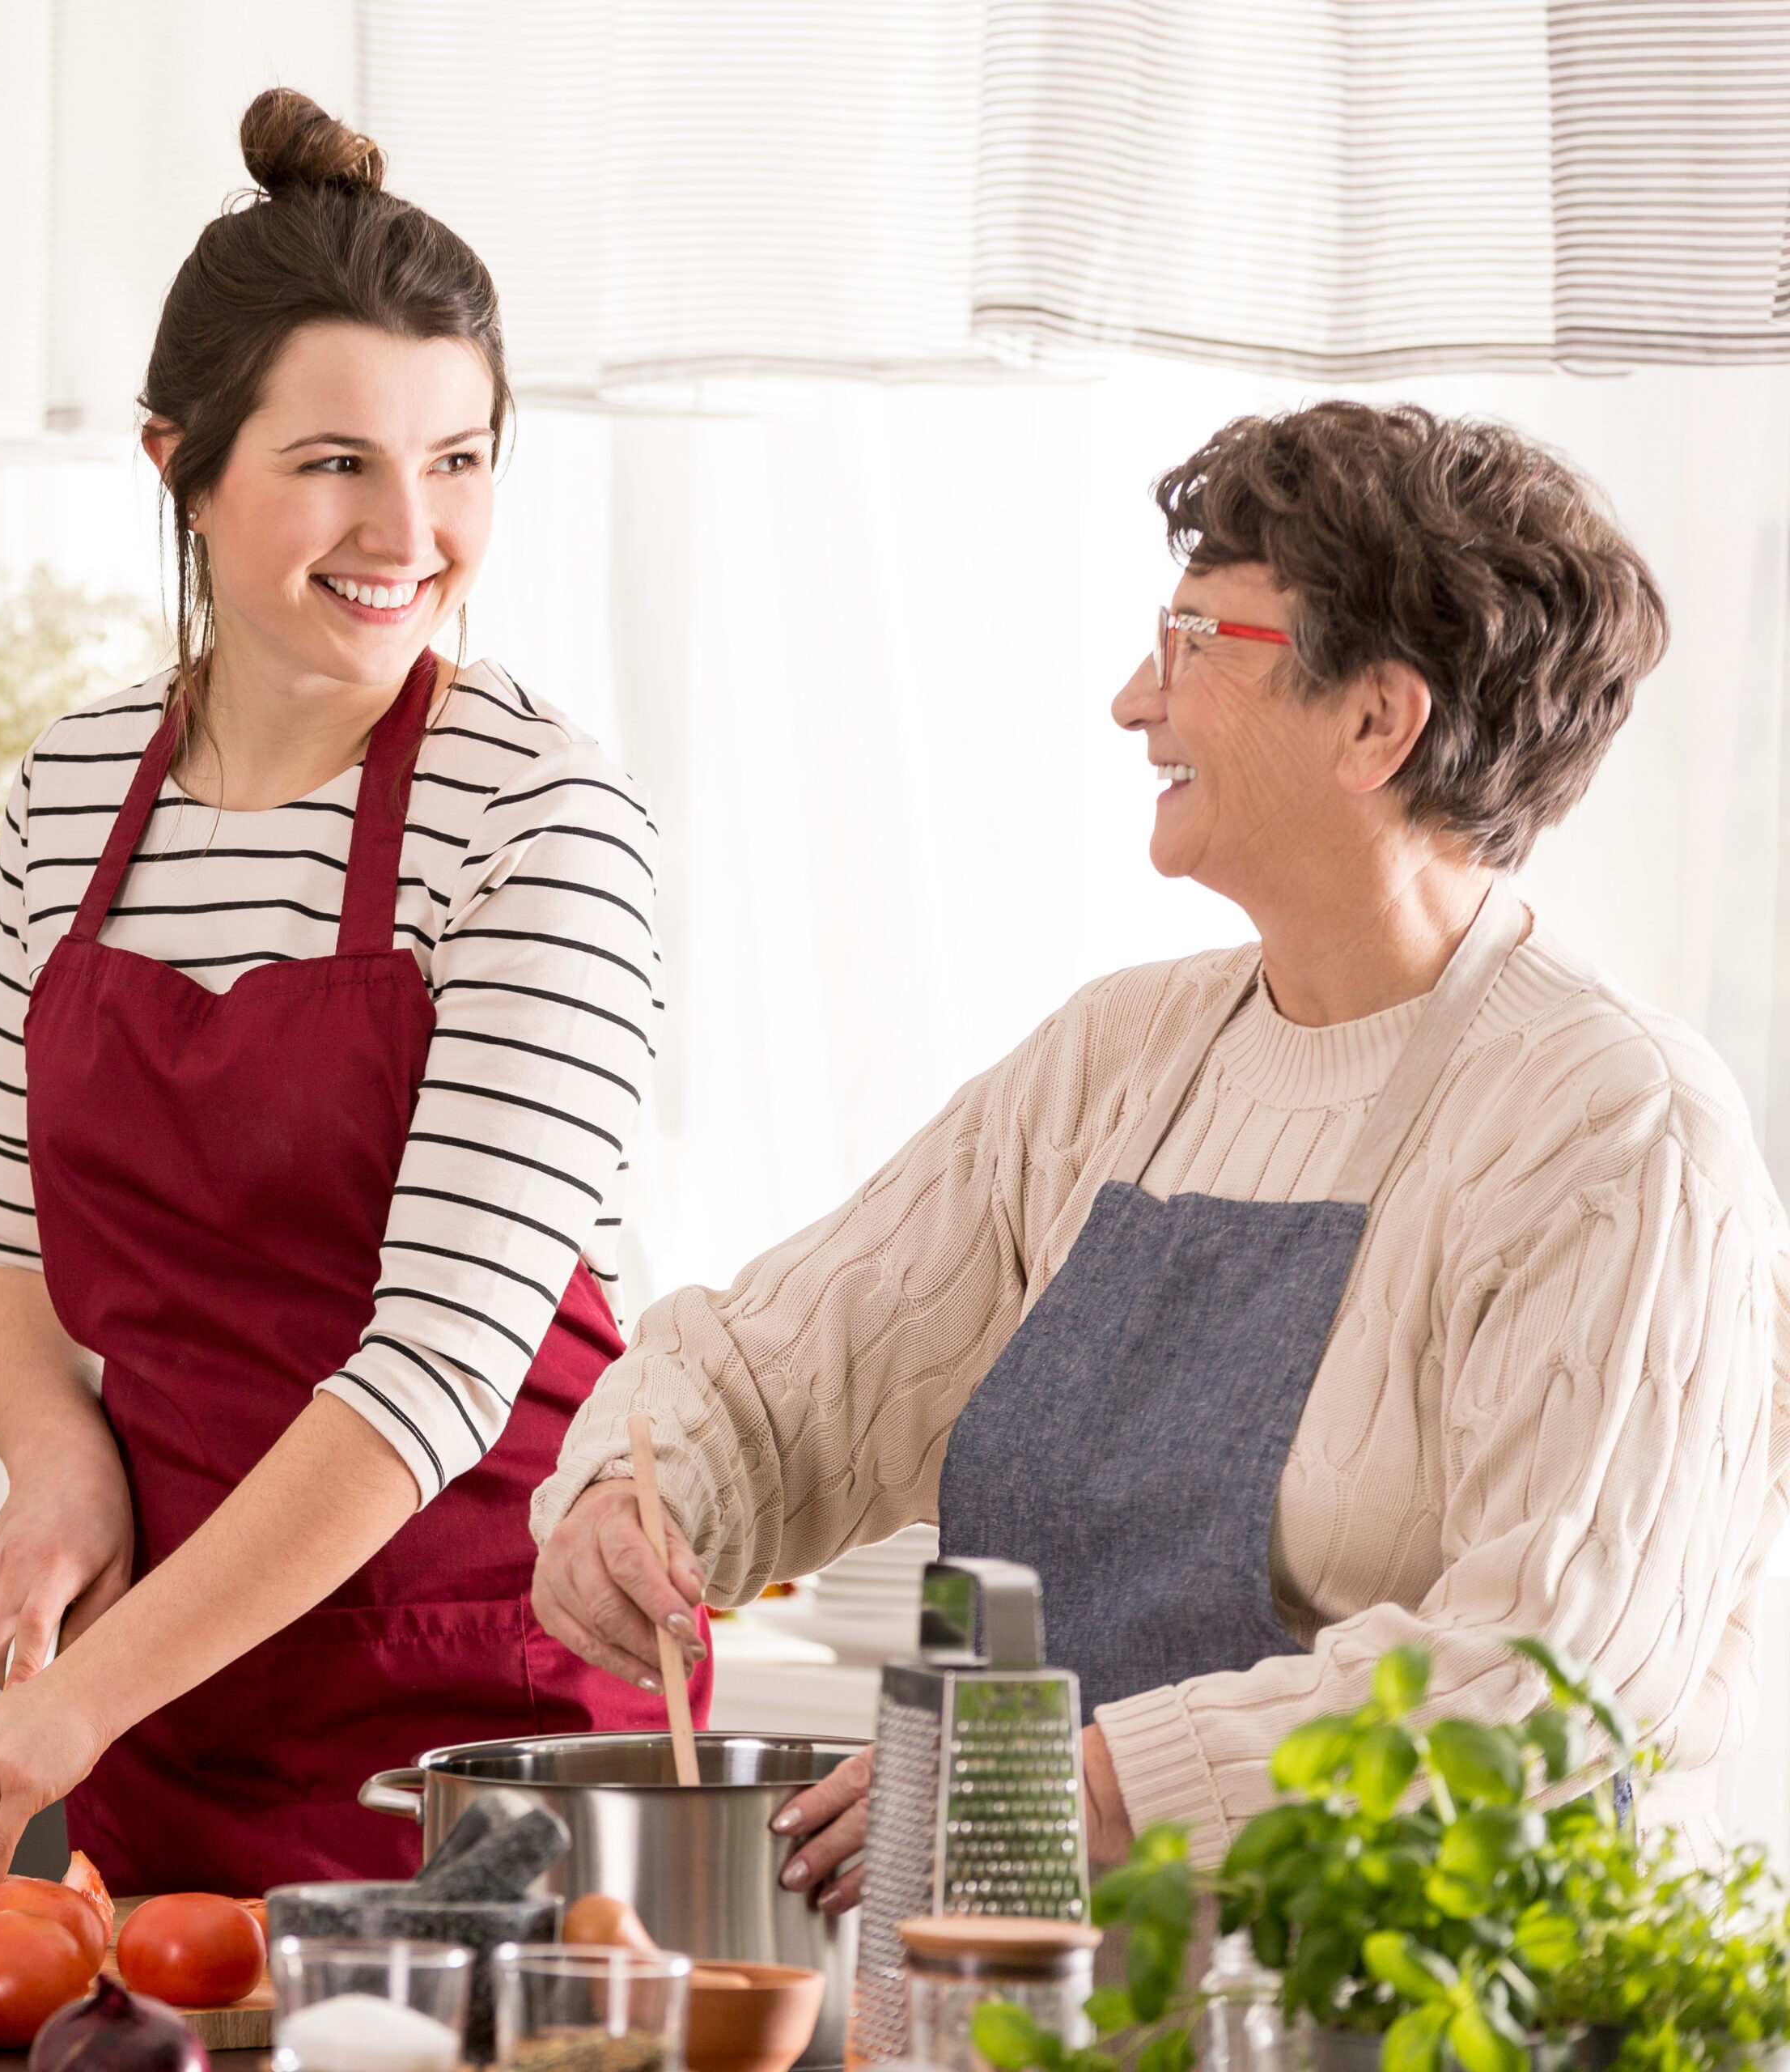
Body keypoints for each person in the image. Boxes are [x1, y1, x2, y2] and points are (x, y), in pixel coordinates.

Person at [531, 401, 1790, 1908]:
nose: (1138, 697)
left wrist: (1096, 1785)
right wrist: (634, 1501)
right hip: (1049, 1993)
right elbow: (778, 1380)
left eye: (1199, 637)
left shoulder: (1619, 1124)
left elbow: (1551, 1675)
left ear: (1378, 721)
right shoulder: (1115, 1063)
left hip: (1407, 2009)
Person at [0, 89, 705, 1926]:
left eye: (459, 460)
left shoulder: (542, 821)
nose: (408, 531)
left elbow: (435, 1362)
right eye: (335, 461)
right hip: (174, 1716)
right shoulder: (68, 794)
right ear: (182, 461)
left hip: (488, 1744)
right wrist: (57, 1463)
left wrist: (74, 1697)